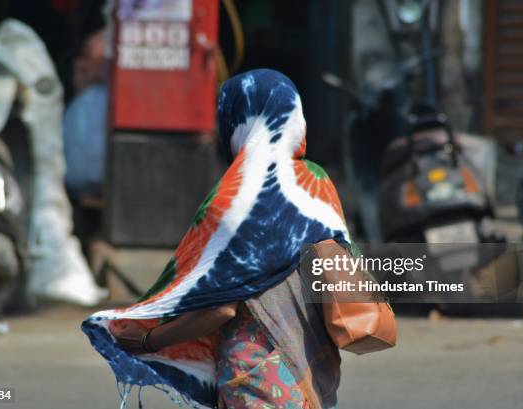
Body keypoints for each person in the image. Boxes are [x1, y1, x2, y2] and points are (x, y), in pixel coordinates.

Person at [82, 69, 350, 408]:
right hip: (315, 367)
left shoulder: (235, 199)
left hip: (256, 375)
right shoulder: (319, 185)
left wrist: (149, 339)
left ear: (238, 119)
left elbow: (220, 309)